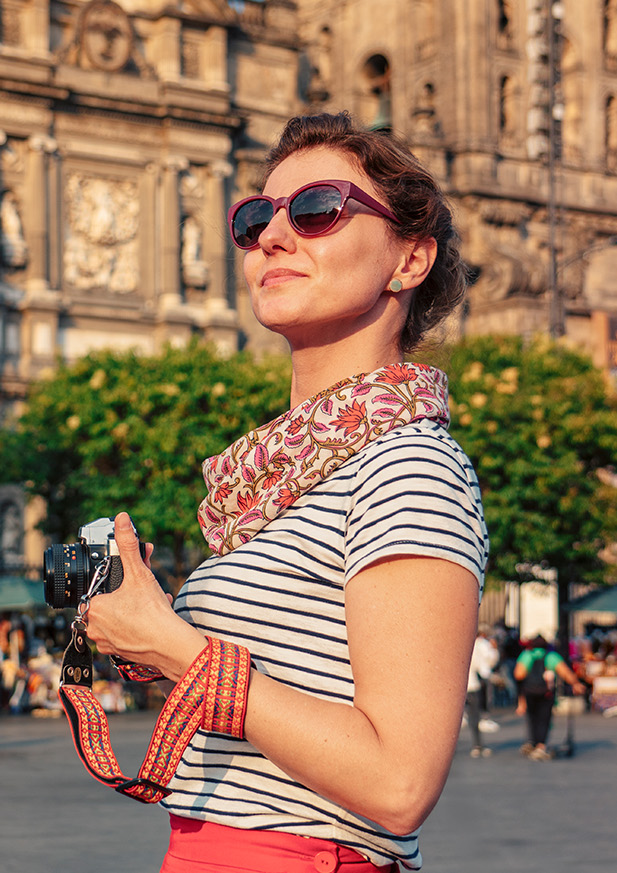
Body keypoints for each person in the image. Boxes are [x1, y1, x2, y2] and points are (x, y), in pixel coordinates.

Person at [79, 112, 488, 871]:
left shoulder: (407, 467)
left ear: (409, 258)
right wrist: (147, 635)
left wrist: (175, 644)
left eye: (317, 210)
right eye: (255, 216)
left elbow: (399, 782)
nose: (271, 235)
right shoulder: (284, 481)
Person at [514, 636, 585, 761]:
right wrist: (575, 684)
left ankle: (533, 742)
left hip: (530, 691)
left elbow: (519, 674)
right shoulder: (551, 656)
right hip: (546, 693)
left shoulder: (527, 655)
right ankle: (541, 746)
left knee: (532, 717)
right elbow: (565, 671)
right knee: (544, 718)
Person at [465, 627, 500, 757]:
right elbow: (486, 663)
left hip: (459, 686)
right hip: (472, 685)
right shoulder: (479, 645)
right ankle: (477, 745)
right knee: (474, 716)